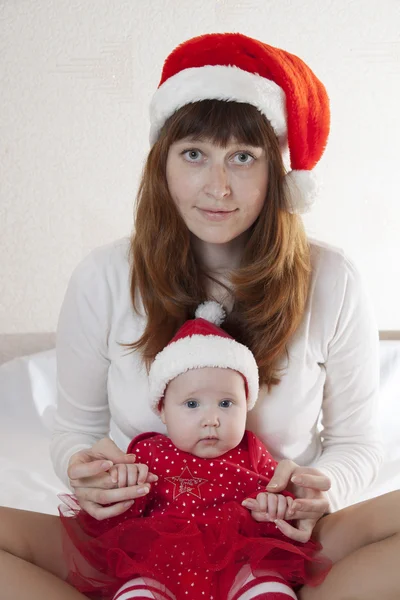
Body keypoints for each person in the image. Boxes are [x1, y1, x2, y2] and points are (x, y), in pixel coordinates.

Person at [0, 31, 399, 600]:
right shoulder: (106, 275)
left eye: (242, 157)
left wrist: (321, 488)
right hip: (136, 539)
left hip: (279, 536)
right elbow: (78, 431)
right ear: (162, 164)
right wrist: (83, 472)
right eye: (194, 154)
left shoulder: (331, 279)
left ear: (277, 173)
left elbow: (357, 443)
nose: (217, 186)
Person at [59, 301, 331, 600]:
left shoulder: (252, 451)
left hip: (241, 559)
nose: (211, 419)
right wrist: (122, 479)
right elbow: (121, 515)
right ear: (162, 410)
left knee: (269, 589)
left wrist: (276, 506)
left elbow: (280, 501)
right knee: (135, 592)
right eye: (191, 404)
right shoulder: (148, 452)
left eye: (226, 404)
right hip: (157, 563)